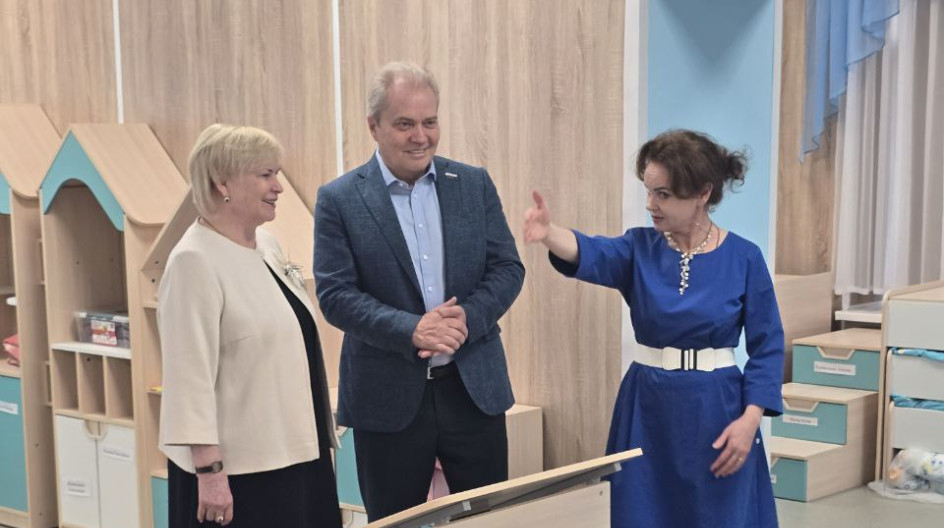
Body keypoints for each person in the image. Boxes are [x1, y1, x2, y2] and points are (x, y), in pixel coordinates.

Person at [524, 129, 783, 527]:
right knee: (642, 513)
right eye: (648, 191)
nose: (650, 205)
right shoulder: (637, 248)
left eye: (663, 194)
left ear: (702, 193)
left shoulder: (745, 257)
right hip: (647, 407)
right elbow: (592, 251)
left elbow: (767, 346)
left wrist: (750, 421)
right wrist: (549, 233)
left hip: (718, 410)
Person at [314, 61, 525, 521]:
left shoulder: (473, 184)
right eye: (405, 124)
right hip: (386, 401)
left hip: (473, 392)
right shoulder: (340, 199)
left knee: (489, 520)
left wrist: (467, 318)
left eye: (430, 122)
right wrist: (413, 329)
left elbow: (508, 268)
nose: (421, 137)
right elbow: (335, 295)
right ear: (373, 126)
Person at [158, 124, 341, 527]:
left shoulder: (268, 247)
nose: (278, 187)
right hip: (239, 472)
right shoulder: (193, 261)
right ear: (221, 182)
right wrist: (210, 473)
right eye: (265, 175)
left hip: (296, 454)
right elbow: (189, 380)